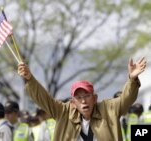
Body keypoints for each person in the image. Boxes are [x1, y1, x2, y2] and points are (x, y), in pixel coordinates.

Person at [17, 57, 146, 141]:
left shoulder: (109, 109)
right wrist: (29, 79)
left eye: (87, 96)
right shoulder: (63, 112)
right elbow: (44, 99)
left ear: (95, 98)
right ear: (73, 103)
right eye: (78, 98)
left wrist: (132, 79)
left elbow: (126, 98)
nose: (83, 101)